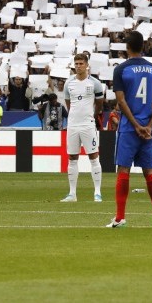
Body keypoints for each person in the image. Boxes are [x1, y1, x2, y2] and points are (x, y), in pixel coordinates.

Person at [107, 31, 152, 228]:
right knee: (149, 171)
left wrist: (135, 125)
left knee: (123, 169)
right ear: (143, 47)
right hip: (148, 130)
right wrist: (149, 125)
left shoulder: (121, 69)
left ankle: (120, 218)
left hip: (129, 129)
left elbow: (121, 100)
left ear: (127, 47)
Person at [60, 53, 105, 203]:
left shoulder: (95, 83)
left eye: (81, 63)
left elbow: (99, 102)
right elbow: (68, 103)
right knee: (72, 158)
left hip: (87, 125)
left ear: (87, 65)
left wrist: (91, 115)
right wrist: (74, 115)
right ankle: (72, 194)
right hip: (72, 125)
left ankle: (97, 192)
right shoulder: (69, 83)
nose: (78, 66)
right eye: (76, 63)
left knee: (93, 156)